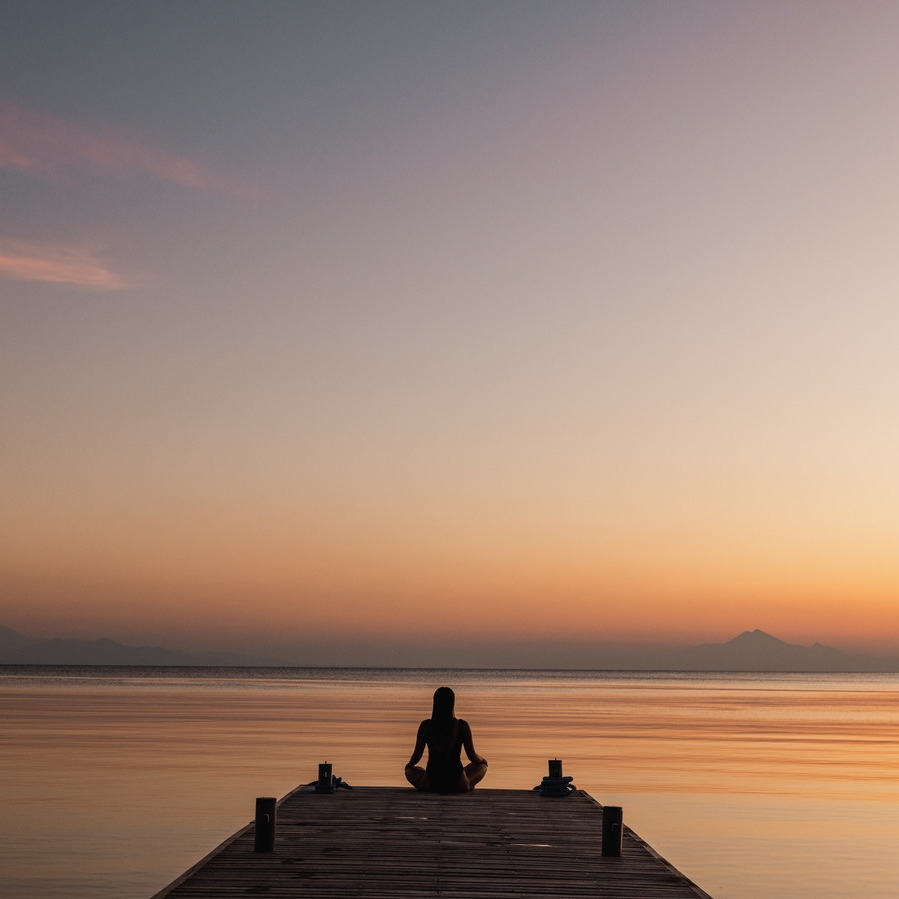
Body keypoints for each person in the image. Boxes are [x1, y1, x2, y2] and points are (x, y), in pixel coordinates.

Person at [404, 686, 488, 793]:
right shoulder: (462, 726)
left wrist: (409, 764)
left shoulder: (426, 726)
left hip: (431, 782)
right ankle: (468, 784)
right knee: (482, 766)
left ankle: (425, 783)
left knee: (410, 770)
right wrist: (483, 760)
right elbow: (472, 756)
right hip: (457, 783)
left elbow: (416, 756)